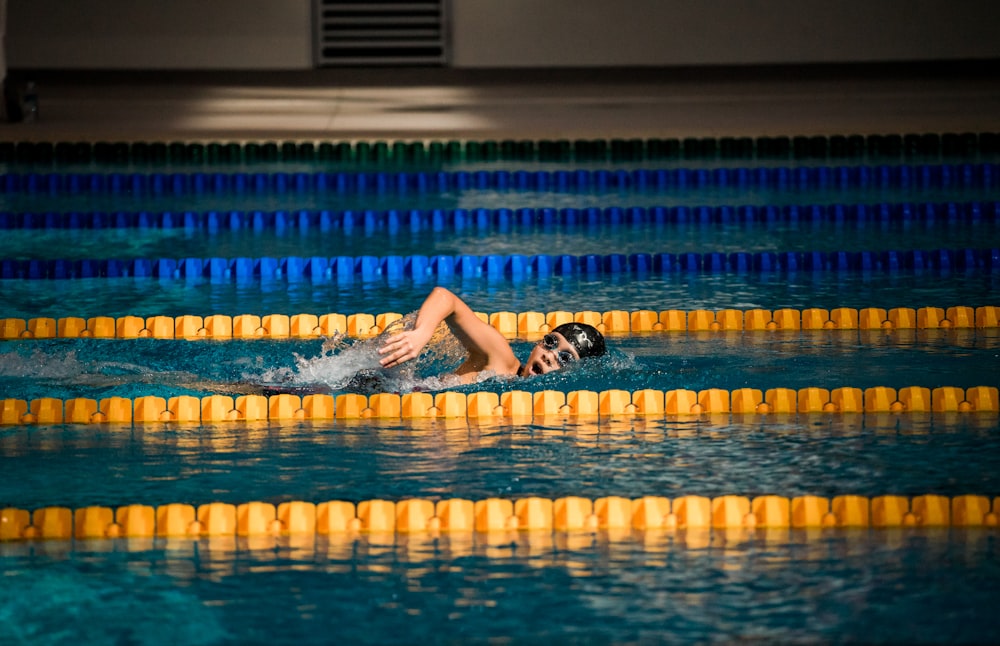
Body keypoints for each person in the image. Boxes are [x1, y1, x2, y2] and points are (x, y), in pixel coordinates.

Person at [377, 287, 606, 381]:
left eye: (565, 358)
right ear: (538, 342)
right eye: (551, 342)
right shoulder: (500, 359)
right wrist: (421, 333)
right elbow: (445, 297)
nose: (550, 355)